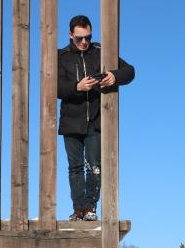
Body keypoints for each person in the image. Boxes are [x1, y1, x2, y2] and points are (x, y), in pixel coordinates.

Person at [58, 15, 135, 221]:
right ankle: (79, 209)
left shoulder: (101, 52)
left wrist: (114, 76)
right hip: (71, 120)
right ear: (70, 35)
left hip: (95, 119)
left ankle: (91, 207)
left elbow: (130, 71)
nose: (84, 42)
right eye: (79, 38)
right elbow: (54, 87)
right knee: (75, 167)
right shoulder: (61, 56)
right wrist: (77, 87)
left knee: (94, 165)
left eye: (88, 38)